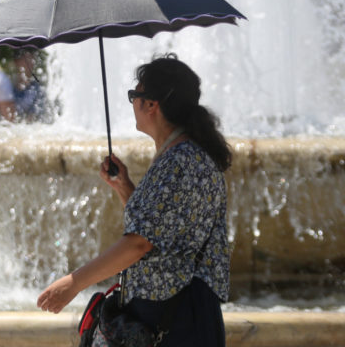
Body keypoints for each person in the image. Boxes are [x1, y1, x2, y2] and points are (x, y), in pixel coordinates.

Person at [37, 54, 231, 347]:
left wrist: (73, 283)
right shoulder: (187, 155)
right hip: (181, 311)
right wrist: (125, 187)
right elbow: (163, 231)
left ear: (151, 104)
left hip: (172, 317)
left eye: (134, 95)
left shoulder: (178, 162)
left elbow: (140, 243)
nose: (133, 104)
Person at [12, 49, 51, 123]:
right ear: (16, 62)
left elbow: (35, 117)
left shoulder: (37, 89)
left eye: (32, 59)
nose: (30, 63)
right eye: (26, 60)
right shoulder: (9, 88)